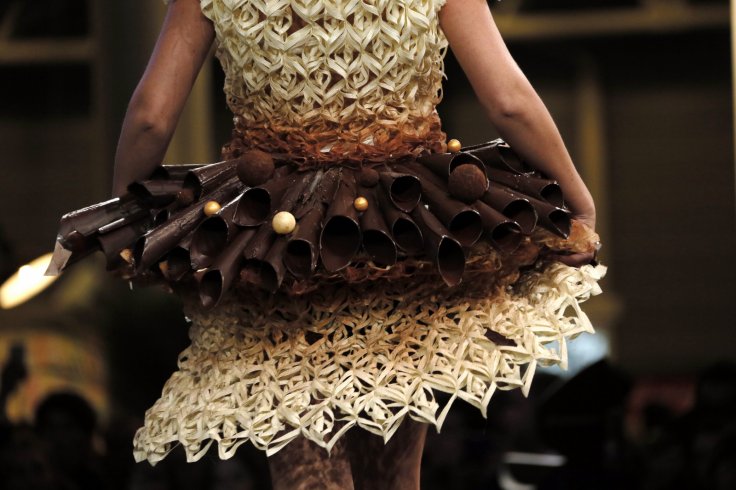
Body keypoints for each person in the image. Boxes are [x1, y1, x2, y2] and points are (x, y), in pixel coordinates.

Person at [52, 0, 605, 488]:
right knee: (392, 473)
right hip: (402, 228)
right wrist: (578, 200)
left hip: (277, 242)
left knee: (304, 465)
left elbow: (151, 116)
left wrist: (129, 215)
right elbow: (508, 101)